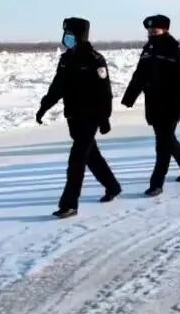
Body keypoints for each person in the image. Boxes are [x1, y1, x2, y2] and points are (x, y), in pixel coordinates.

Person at [36, 17, 122, 218]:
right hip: (73, 116)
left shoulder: (95, 59)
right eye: (66, 35)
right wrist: (44, 107)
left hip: (90, 116)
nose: (67, 39)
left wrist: (104, 118)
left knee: (76, 160)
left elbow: (105, 92)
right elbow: (57, 87)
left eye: (71, 35)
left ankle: (69, 204)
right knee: (91, 155)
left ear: (80, 36)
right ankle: (113, 186)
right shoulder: (66, 59)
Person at [120, 14, 180, 197]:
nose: (151, 34)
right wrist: (129, 97)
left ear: (165, 30)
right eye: (149, 31)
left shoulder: (176, 52)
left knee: (163, 143)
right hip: (153, 104)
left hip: (171, 104)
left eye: (154, 31)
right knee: (166, 138)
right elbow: (139, 75)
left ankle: (157, 184)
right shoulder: (148, 50)